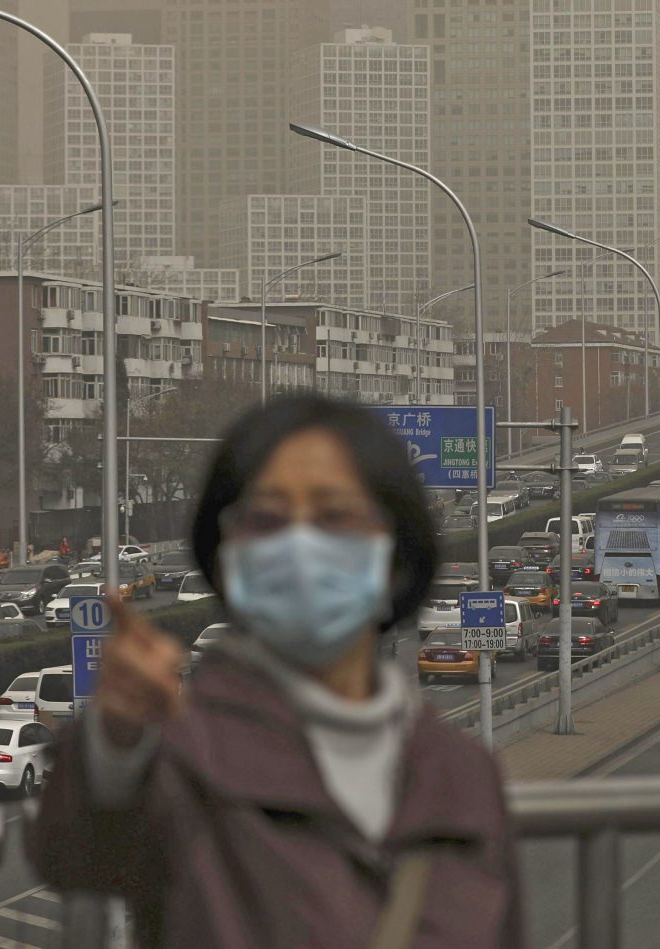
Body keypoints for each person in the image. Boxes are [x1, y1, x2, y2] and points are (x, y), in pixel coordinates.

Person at [27, 394, 523, 948]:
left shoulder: (463, 778)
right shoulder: (181, 763)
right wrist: (116, 735)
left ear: (396, 552)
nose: (301, 546)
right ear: (226, 555)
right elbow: (76, 851)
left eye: (335, 516)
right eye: (267, 519)